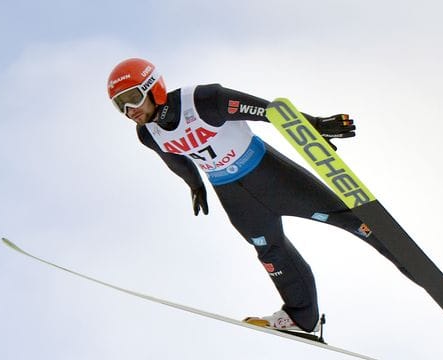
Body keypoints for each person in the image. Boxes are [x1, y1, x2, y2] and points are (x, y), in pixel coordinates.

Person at [107, 58, 413, 333]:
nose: (129, 110)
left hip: (269, 175)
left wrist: (315, 124)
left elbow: (269, 112)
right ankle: (301, 318)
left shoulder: (203, 101)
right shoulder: (148, 134)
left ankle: (412, 263)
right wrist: (195, 185)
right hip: (233, 196)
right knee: (271, 253)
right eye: (119, 105)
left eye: (132, 98)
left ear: (153, 87)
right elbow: (176, 159)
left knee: (349, 219)